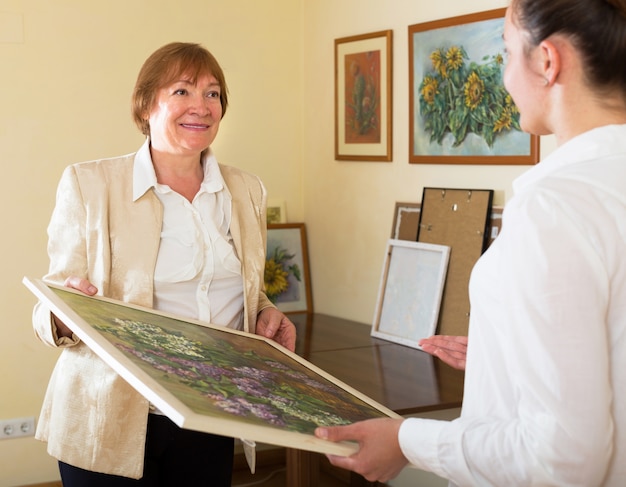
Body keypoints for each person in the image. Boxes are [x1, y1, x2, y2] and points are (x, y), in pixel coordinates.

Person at [315, 0, 626, 485]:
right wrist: (504, 353)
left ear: (547, 60)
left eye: (505, 53)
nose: (503, 78)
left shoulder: (552, 205)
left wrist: (405, 440)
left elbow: (563, 458)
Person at [32, 42, 296, 486]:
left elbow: (243, 288)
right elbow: (52, 299)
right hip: (107, 417)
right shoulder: (89, 184)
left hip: (209, 413)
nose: (201, 106)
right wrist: (62, 315)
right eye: (183, 91)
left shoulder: (247, 190)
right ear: (146, 104)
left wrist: (267, 311)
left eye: (213, 94)